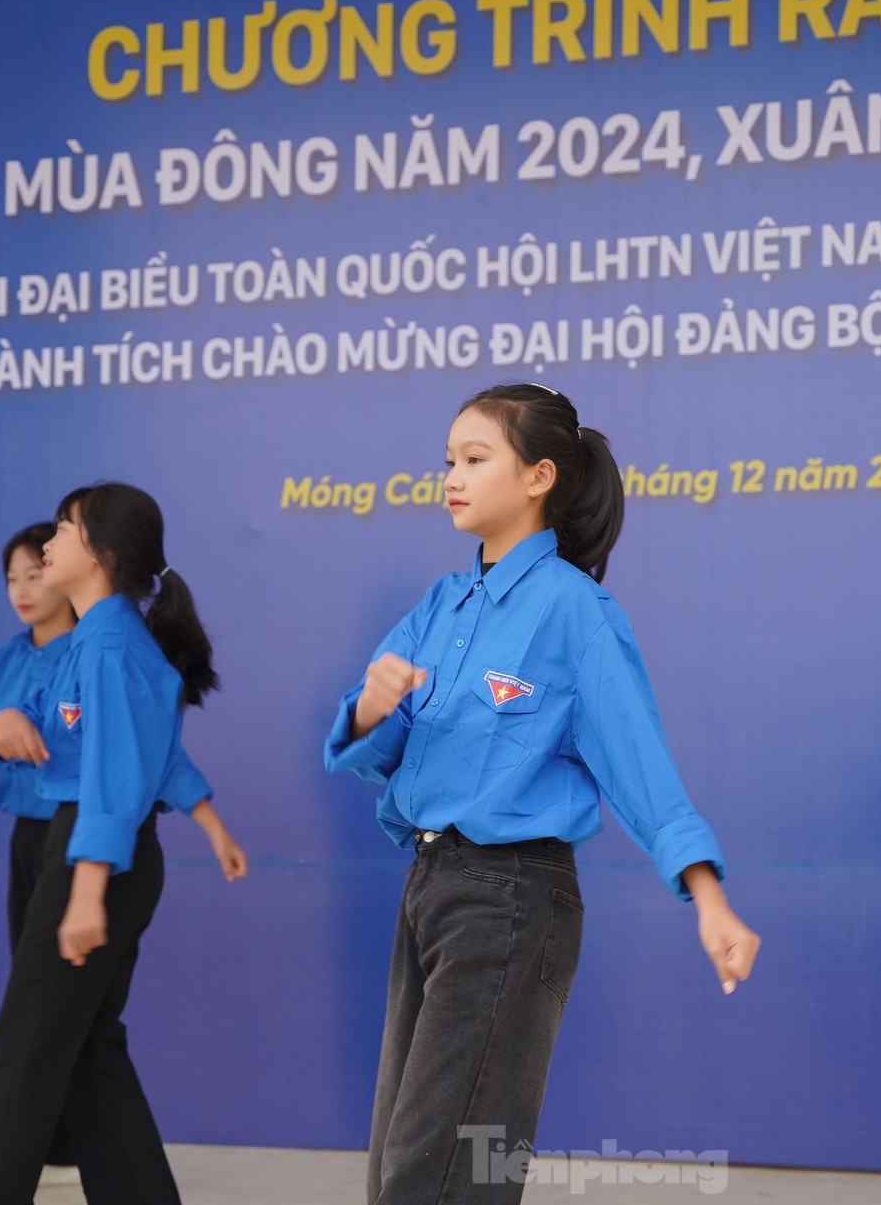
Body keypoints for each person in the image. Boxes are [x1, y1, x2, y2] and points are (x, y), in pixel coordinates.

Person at [325, 383, 761, 1205]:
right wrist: (371, 708)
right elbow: (367, 751)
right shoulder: (440, 606)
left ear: (539, 477)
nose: (451, 476)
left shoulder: (575, 612)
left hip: (511, 900)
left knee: (437, 1174)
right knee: (406, 1163)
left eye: (475, 458)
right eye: (447, 461)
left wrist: (707, 895)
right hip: (429, 889)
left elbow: (640, 767)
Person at [0, 522, 245, 1195]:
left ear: (101, 554)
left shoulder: (105, 646)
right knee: (81, 1036)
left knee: (35, 1033)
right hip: (58, 844)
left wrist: (85, 890)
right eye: (13, 574)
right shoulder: (84, 647)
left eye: (59, 538)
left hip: (85, 846)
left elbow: (117, 775)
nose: (36, 569)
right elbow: (69, 744)